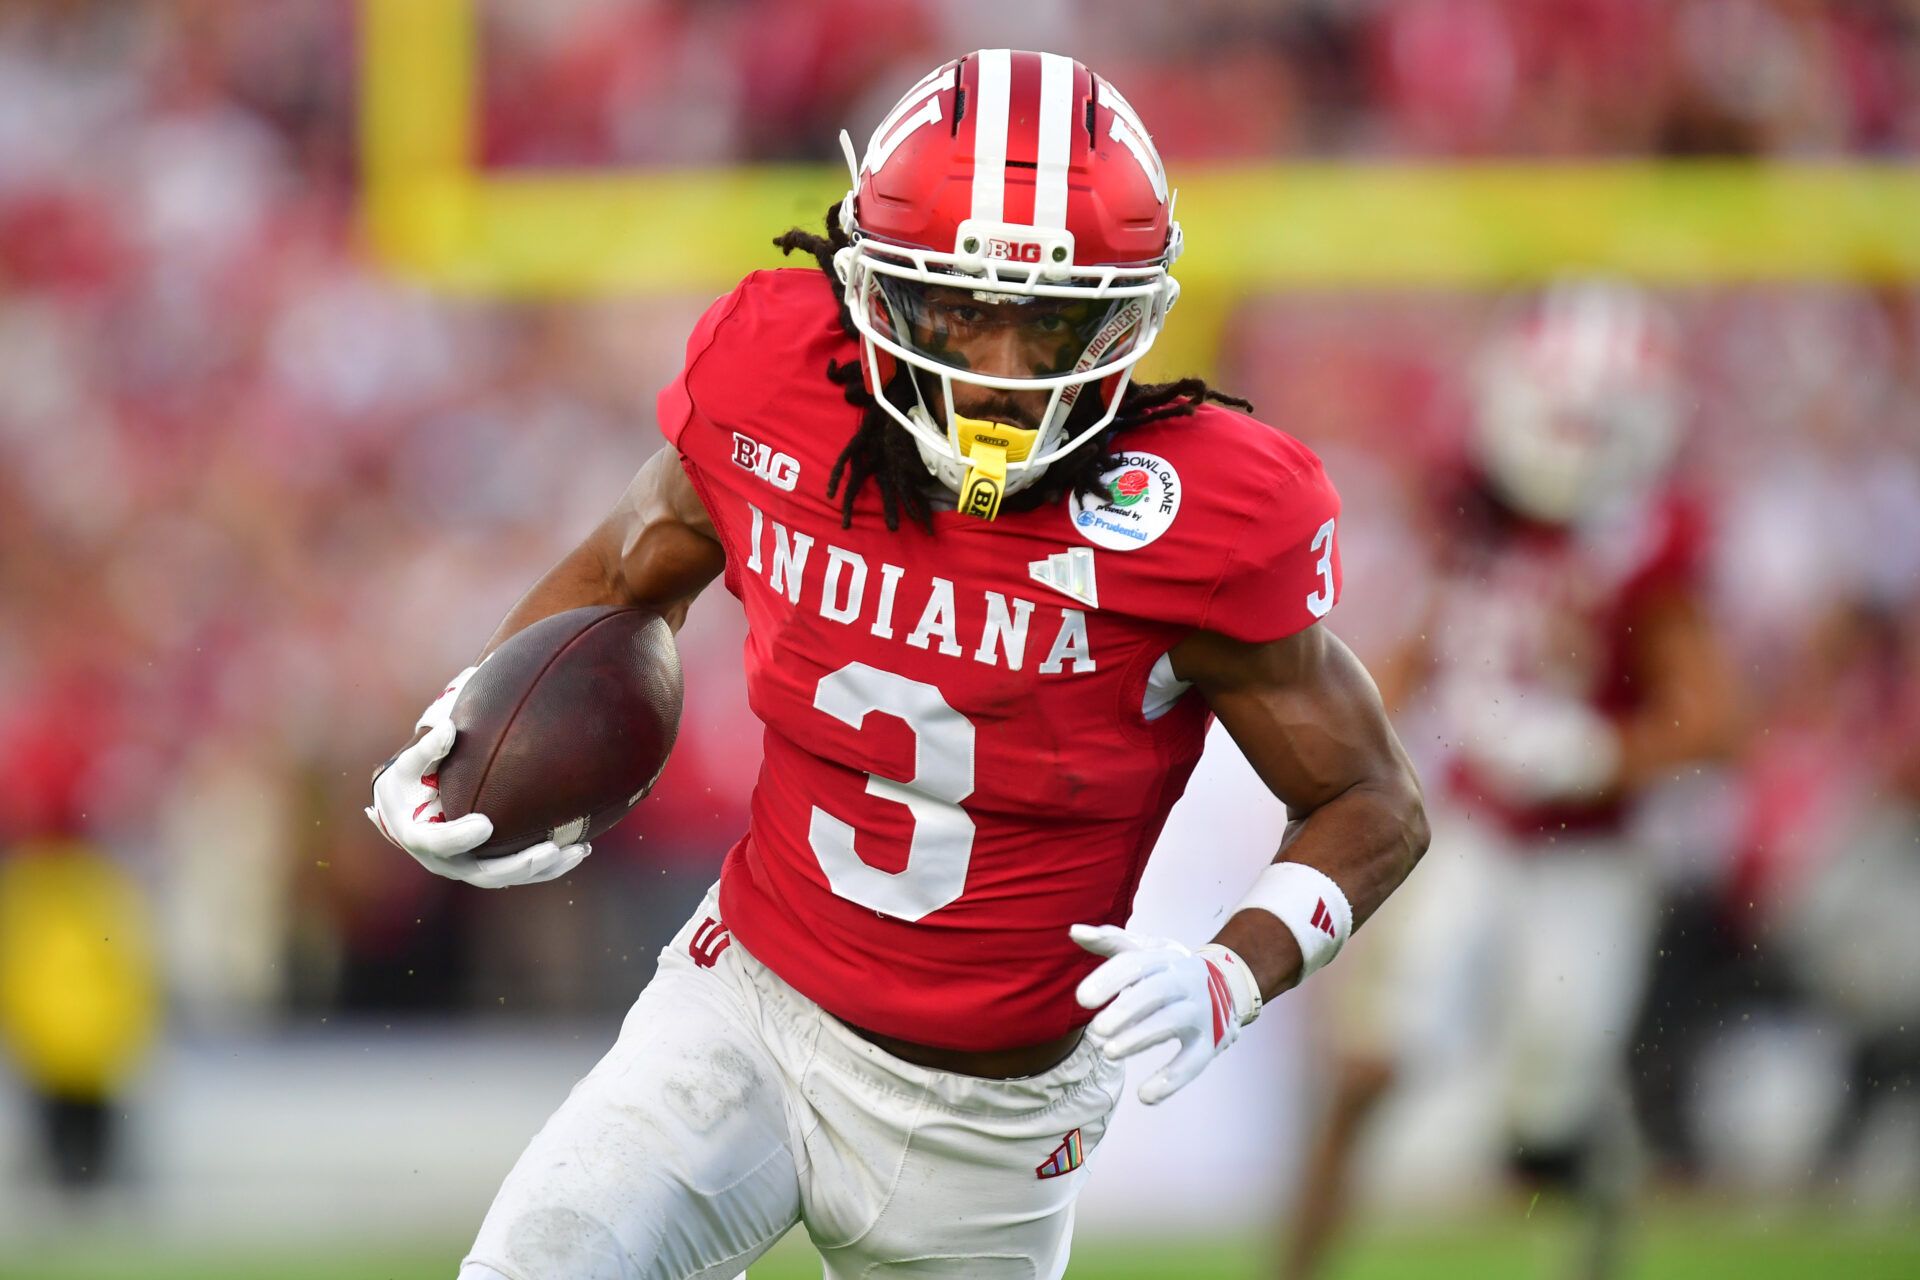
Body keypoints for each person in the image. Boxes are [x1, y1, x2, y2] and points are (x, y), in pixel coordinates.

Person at [367, 51, 1427, 1280]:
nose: (1004, 370)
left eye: (1051, 320)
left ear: (1127, 316)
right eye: (962, 309)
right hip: (745, 1012)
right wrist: (467, 729)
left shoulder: (1200, 517)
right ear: (873, 286)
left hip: (992, 1129)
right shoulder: (780, 383)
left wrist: (1235, 968)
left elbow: (1374, 798)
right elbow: (619, 574)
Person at [1278, 281, 1740, 1280]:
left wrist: (1598, 752)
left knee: (1551, 1122)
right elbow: (1418, 650)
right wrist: (1346, 738)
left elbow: (1715, 720)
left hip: (1590, 858)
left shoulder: (1650, 539)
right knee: (1368, 1067)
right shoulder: (1472, 502)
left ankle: (1599, 1241)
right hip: (1471, 829)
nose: (1569, 443)